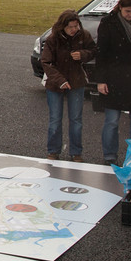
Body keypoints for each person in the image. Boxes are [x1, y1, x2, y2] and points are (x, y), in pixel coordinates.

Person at [94, 0, 131, 163]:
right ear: (120, 8)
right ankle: (110, 156)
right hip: (114, 76)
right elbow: (101, 52)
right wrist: (101, 80)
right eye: (127, 11)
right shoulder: (108, 22)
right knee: (112, 121)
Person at [40, 10, 96, 161]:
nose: (74, 29)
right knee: (55, 119)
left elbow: (93, 50)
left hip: (77, 81)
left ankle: (76, 152)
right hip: (55, 83)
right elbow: (46, 62)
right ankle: (53, 151)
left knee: (76, 119)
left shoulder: (84, 35)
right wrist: (60, 80)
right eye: (70, 27)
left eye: (76, 26)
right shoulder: (53, 39)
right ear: (62, 26)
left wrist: (83, 54)